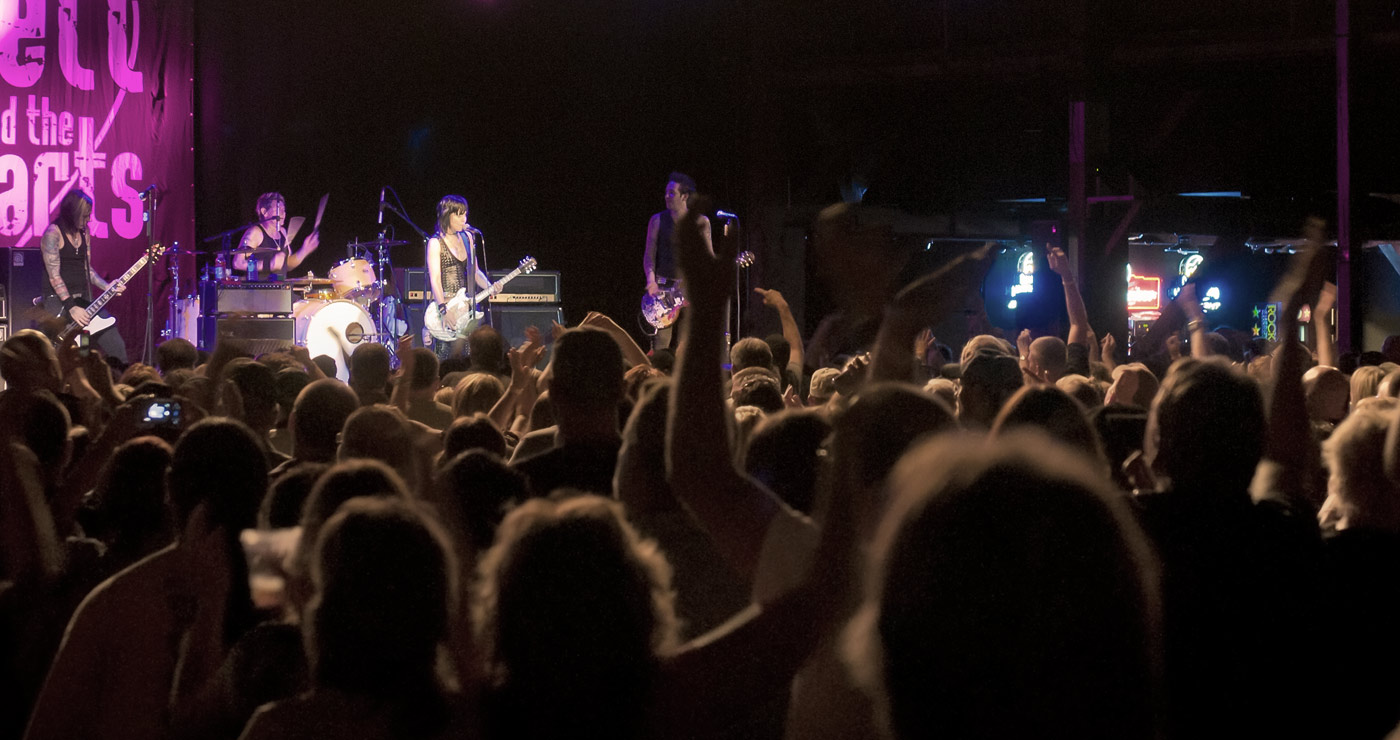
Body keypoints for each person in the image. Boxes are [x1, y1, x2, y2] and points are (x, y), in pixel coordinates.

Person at [39, 190, 128, 363]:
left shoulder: (84, 232)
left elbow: (88, 270)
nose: (88, 220)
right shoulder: (52, 234)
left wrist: (106, 286)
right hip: (60, 304)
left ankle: (121, 376)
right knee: (75, 356)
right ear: (72, 213)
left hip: (84, 301)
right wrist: (71, 307)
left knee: (114, 347)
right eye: (85, 216)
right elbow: (54, 276)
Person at [642, 172, 711, 351]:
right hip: (663, 292)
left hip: (688, 290)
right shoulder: (657, 220)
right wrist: (651, 281)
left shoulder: (701, 222)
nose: (666, 196)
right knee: (661, 345)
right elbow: (649, 256)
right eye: (666, 192)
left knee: (686, 346)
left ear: (684, 196)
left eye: (672, 193)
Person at [426, 195, 493, 360]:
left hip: (467, 308)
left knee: (470, 358)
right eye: (459, 215)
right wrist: (443, 310)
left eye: (465, 214)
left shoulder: (468, 237)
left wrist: (489, 286)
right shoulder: (435, 243)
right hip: (447, 307)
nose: (464, 219)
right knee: (446, 358)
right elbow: (435, 279)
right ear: (447, 215)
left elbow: (475, 272)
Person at [231, 192, 319, 279]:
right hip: (258, 287)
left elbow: (287, 265)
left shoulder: (283, 232)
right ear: (264, 212)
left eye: (284, 209)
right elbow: (237, 263)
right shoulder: (256, 232)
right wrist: (268, 265)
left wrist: (304, 251)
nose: (283, 213)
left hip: (280, 286)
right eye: (278, 209)